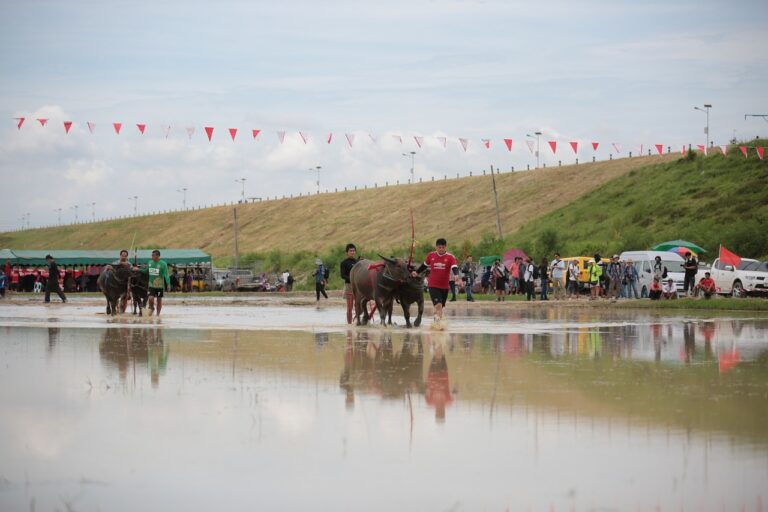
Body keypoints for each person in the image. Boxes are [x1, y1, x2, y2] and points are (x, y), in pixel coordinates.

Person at [411, 238, 461, 324]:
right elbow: (424, 265)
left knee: (440, 307)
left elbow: (454, 267)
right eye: (439, 247)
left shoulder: (450, 257)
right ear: (436, 247)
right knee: (438, 306)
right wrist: (417, 272)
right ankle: (437, 326)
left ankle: (437, 322)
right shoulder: (431, 255)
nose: (441, 249)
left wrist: (456, 274)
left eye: (442, 247)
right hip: (433, 285)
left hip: (444, 286)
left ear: (445, 247)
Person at [140, 249, 170, 316]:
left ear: (158, 256)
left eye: (153, 255)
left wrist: (168, 284)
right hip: (151, 285)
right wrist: (138, 270)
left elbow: (166, 274)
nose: (152, 257)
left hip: (160, 286)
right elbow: (146, 271)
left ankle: (157, 315)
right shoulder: (150, 262)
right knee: (150, 298)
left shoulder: (163, 264)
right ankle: (151, 307)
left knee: (159, 300)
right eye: (152, 255)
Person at [340, 244, 358, 324]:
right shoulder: (344, 263)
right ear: (347, 252)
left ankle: (358, 321)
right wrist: (352, 278)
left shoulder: (358, 262)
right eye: (350, 251)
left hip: (358, 287)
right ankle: (349, 324)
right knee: (349, 308)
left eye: (353, 251)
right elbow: (343, 276)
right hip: (349, 286)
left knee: (359, 306)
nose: (352, 252)